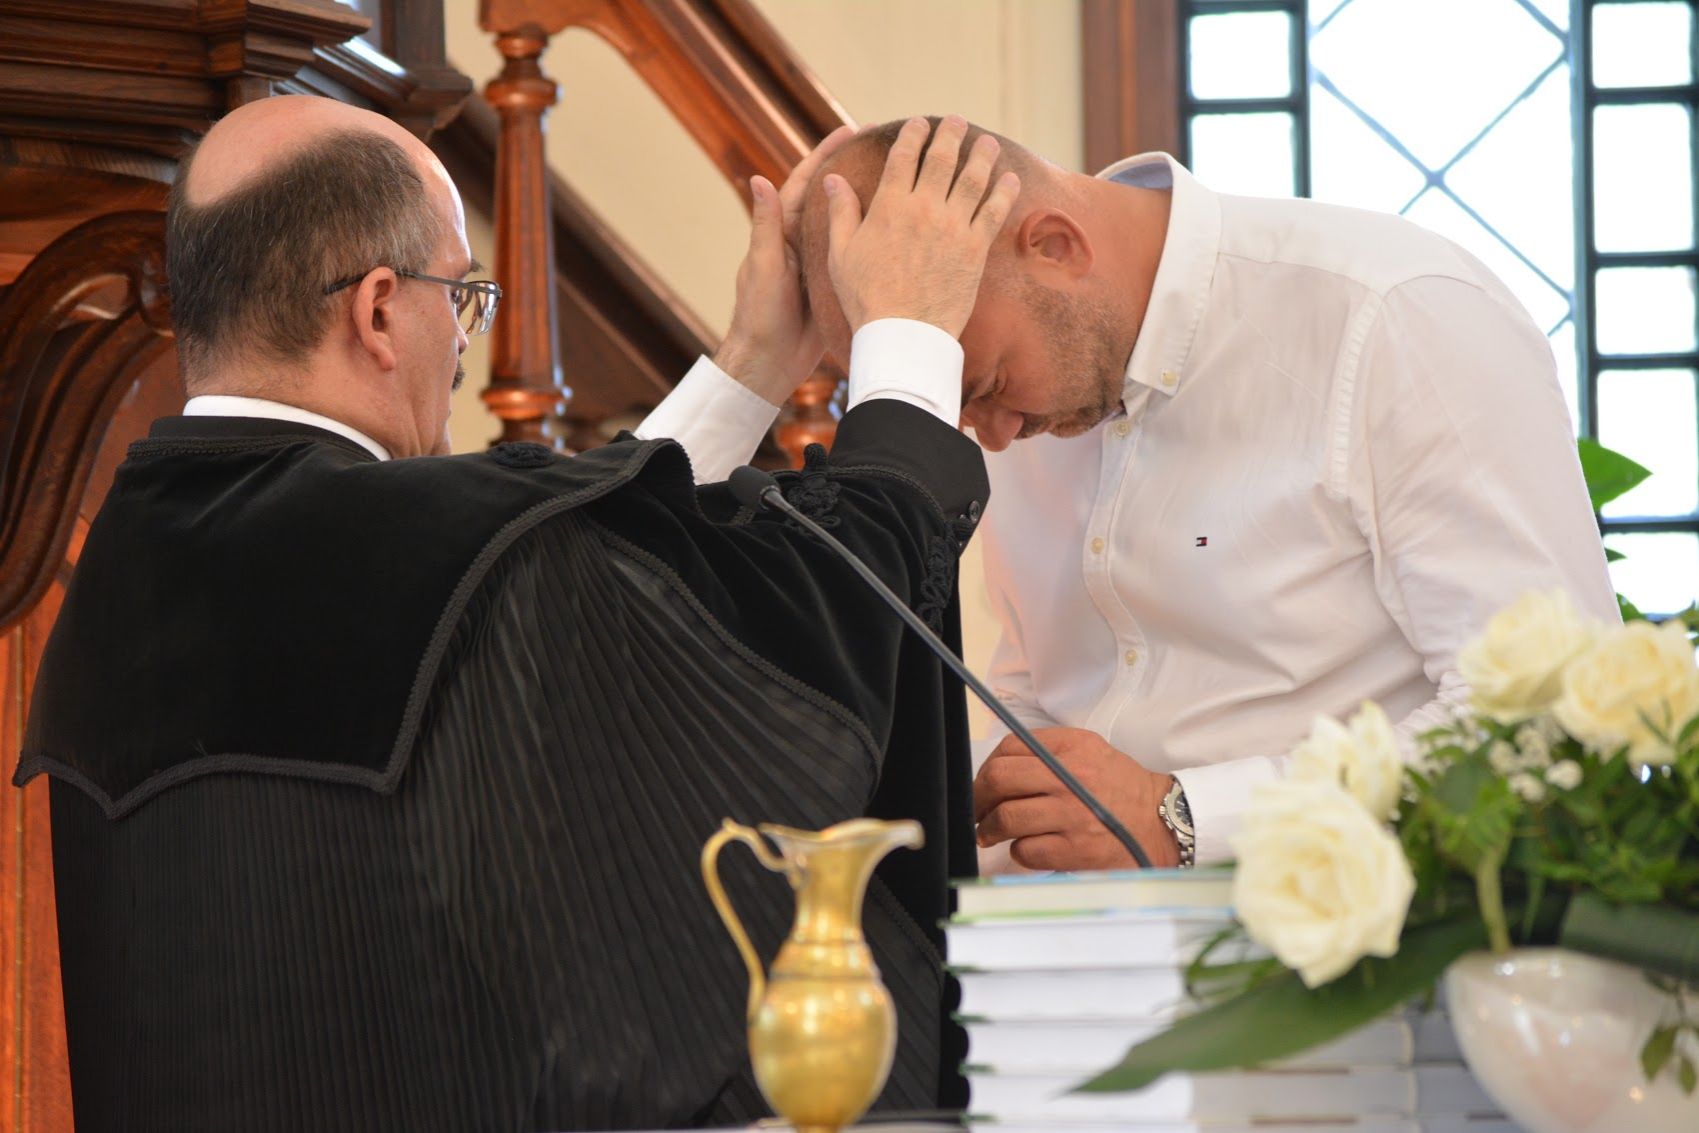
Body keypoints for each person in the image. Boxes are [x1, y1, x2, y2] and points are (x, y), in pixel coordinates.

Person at [13, 99, 1019, 1131]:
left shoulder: (112, 568)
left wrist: (752, 367)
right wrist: (906, 346)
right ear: (376, 312)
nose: (463, 342)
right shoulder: (427, 544)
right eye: (461, 296)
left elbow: (551, 552)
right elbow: (813, 634)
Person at [674, 115, 1618, 876]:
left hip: (1349, 986)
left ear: (1053, 245)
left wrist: (1188, 815)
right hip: (1059, 964)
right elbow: (1042, 686)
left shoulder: (1395, 313)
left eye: (986, 383)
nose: (986, 438)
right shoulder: (1025, 379)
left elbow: (1549, 721)